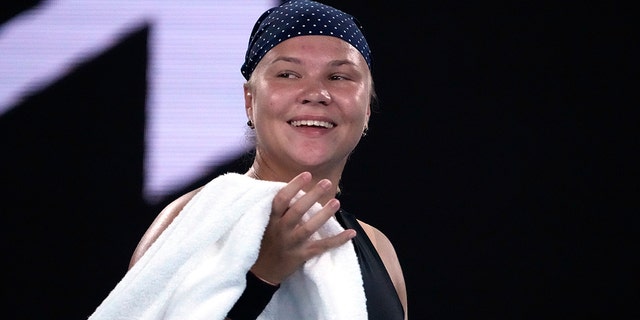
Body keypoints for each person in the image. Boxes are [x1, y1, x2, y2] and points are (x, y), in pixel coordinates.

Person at [92, 1, 407, 319]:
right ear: (249, 101)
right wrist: (261, 277)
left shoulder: (379, 249)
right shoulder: (190, 220)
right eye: (288, 74)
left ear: (366, 108)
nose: (316, 93)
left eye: (339, 77)